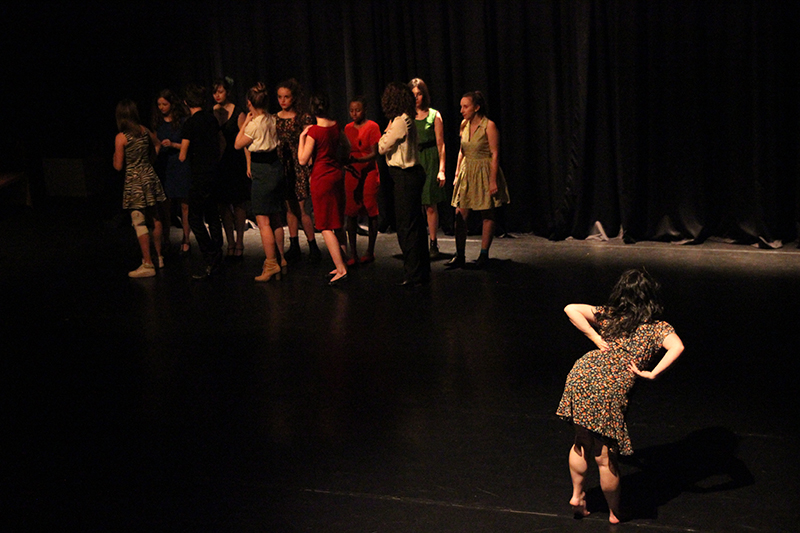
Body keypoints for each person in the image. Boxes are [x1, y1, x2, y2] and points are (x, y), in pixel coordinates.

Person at [556, 268, 685, 524]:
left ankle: (577, 496)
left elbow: (571, 309)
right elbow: (677, 346)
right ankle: (615, 512)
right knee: (605, 456)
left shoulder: (610, 315)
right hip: (610, 385)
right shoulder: (658, 328)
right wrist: (652, 373)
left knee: (581, 441)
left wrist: (595, 338)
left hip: (583, 373)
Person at [448, 91, 510, 269]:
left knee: (487, 213)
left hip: (483, 171)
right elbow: (462, 151)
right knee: (460, 214)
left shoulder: (488, 126)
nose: (461, 110)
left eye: (465, 106)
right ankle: (460, 254)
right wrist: (457, 172)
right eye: (461, 106)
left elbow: (495, 153)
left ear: (476, 107)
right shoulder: (464, 125)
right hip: (467, 171)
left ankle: (483, 254)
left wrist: (492, 180)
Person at [378, 82, 430, 287]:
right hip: (411, 176)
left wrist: (386, 132)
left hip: (405, 176)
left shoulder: (400, 121)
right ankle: (420, 271)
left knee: (406, 227)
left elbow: (382, 147)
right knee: (415, 225)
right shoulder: (407, 118)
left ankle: (414, 273)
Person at [235, 82, 285, 282]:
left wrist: (245, 123)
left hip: (262, 171)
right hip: (275, 167)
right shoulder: (273, 119)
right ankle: (281, 259)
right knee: (276, 217)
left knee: (263, 221)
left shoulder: (254, 125)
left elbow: (238, 144)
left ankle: (271, 263)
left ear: (249, 103)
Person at [298, 92, 348, 285]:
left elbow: (302, 159)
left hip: (321, 179)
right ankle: (343, 262)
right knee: (337, 223)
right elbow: (347, 146)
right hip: (336, 176)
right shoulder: (335, 126)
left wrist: (302, 138)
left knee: (326, 225)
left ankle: (341, 269)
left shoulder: (314, 131)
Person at [113, 99, 166, 278]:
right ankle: (158, 257)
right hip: (149, 176)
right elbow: (157, 144)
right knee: (155, 216)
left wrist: (114, 157)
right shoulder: (144, 131)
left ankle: (148, 263)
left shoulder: (121, 137)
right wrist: (150, 161)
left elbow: (118, 166)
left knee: (139, 221)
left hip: (135, 181)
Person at [179, 83, 224, 281]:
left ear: (186, 102)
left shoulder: (190, 124)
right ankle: (217, 253)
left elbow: (182, 155)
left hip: (199, 175)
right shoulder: (211, 119)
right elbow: (221, 142)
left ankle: (210, 254)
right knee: (213, 214)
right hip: (214, 173)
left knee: (195, 218)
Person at [275, 79, 321, 263]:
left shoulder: (303, 118)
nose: (283, 100)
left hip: (299, 166)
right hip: (283, 166)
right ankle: (294, 245)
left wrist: (309, 168)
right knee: (289, 208)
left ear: (293, 97)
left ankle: (313, 246)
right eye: (280, 97)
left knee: (302, 209)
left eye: (286, 97)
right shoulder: (275, 118)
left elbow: (310, 143)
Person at [409, 78, 447, 259]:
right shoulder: (407, 116)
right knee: (415, 204)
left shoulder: (434, 115)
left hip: (430, 159)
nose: (416, 98)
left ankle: (433, 242)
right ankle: (418, 243)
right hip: (413, 160)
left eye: (419, 94)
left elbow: (441, 144)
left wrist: (442, 169)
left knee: (430, 204)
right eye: (413, 95)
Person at [212, 76, 249, 260]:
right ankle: (230, 242)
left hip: (235, 162)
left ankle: (240, 241)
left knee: (238, 203)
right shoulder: (211, 112)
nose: (217, 95)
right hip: (219, 164)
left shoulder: (238, 112)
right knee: (223, 205)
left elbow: (245, 140)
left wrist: (248, 164)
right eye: (215, 92)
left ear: (227, 92)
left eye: (220, 91)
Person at [151, 89, 191, 256]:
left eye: (164, 104)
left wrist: (173, 145)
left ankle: (186, 239)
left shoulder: (182, 121)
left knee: (184, 205)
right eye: (159, 104)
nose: (161, 107)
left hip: (180, 164)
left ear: (172, 104)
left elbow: (189, 145)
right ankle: (166, 239)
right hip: (164, 165)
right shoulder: (157, 123)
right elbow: (154, 143)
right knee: (165, 205)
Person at [343, 96, 381, 265]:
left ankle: (370, 250)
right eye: (351, 110)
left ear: (364, 110)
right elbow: (345, 149)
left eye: (357, 110)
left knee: (370, 206)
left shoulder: (372, 127)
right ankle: (353, 253)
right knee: (351, 210)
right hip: (352, 172)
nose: (354, 114)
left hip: (368, 171)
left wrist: (358, 160)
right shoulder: (348, 128)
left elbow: (375, 153)